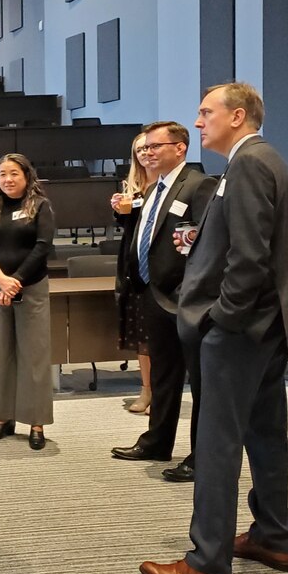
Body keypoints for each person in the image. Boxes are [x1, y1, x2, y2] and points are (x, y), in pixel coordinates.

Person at [140, 83, 288, 574]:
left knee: (216, 444)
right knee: (265, 434)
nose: (198, 122)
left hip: (242, 330)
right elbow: (244, 239)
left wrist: (221, 319)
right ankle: (272, 536)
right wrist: (203, 240)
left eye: (205, 112)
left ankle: (208, 563)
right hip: (266, 328)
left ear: (238, 115)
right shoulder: (264, 159)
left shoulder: (250, 163)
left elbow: (252, 258)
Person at [110, 122, 216, 477]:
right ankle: (157, 442)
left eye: (155, 147)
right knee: (164, 376)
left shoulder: (199, 185)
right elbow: (147, 235)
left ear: (180, 148)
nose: (147, 153)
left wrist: (190, 290)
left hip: (185, 298)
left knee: (200, 382)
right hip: (151, 293)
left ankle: (201, 457)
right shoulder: (153, 188)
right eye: (143, 148)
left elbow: (208, 243)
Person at [0, 153, 55, 450]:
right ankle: (3, 418)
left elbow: (42, 247)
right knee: (0, 353)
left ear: (26, 176)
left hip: (30, 287)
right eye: (3, 175)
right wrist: (0, 279)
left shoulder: (40, 206)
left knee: (33, 356)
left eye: (14, 174)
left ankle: (36, 422)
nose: (8, 179)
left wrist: (15, 281)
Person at [111, 132, 156, 415]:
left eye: (148, 147)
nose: (143, 153)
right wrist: (119, 210)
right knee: (143, 336)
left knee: (161, 336)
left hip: (163, 271)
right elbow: (129, 229)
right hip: (135, 270)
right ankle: (146, 389)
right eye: (138, 149)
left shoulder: (168, 187)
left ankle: (163, 390)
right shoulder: (133, 187)